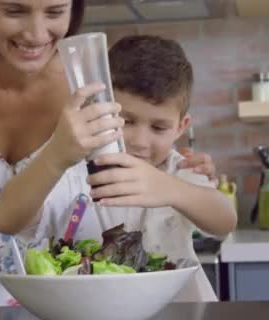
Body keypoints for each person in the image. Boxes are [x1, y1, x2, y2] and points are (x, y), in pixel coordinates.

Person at [0, 1, 216, 318]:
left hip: (60, 285)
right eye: (14, 11)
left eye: (54, 12)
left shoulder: (85, 67)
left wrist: (181, 172)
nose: (36, 34)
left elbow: (131, 152)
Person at [88, 35, 237, 302]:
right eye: (126, 120)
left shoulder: (180, 168)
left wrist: (169, 188)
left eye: (158, 127)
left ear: (181, 127)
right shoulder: (82, 166)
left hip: (180, 308)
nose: (139, 141)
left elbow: (225, 221)